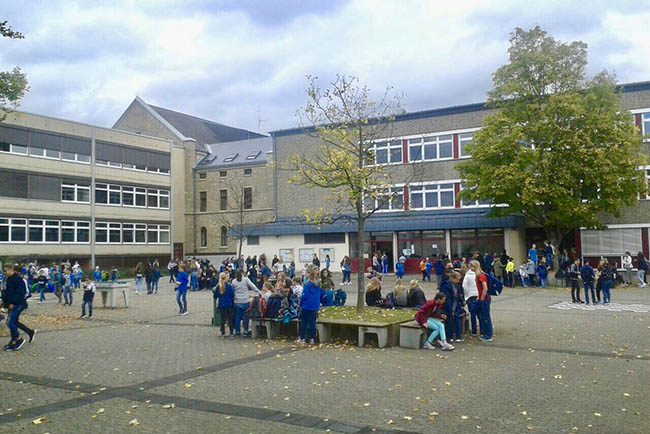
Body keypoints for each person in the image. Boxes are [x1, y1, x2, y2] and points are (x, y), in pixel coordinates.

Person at [2, 263, 35, 351]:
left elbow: (21, 293)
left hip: (18, 304)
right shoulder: (8, 279)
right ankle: (18, 338)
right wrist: (4, 302)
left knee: (10, 322)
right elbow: (7, 292)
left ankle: (18, 339)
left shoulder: (18, 279)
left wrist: (13, 302)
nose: (4, 273)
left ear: (10, 269)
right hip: (11, 304)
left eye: (5, 271)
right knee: (13, 321)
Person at [297, 265, 320, 345]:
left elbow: (304, 295)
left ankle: (302, 338)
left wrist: (300, 303)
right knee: (312, 322)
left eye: (306, 272)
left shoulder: (308, 284)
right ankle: (312, 338)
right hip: (314, 305)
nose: (304, 274)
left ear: (309, 273)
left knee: (304, 322)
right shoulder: (317, 283)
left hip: (306, 305)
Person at [232, 269, 260, 337]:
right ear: (242, 273)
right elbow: (253, 286)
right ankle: (245, 331)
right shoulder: (246, 280)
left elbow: (232, 291)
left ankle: (237, 331)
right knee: (246, 317)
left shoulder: (234, 281)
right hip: (245, 301)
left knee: (237, 317)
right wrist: (258, 292)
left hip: (237, 301)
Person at [470, 260, 493, 342]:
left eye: (471, 267)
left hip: (484, 299)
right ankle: (486, 333)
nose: (471, 269)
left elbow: (485, 288)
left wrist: (482, 298)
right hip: (481, 298)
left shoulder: (481, 276)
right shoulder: (479, 275)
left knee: (486, 317)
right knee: (483, 316)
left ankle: (489, 335)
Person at [440, 271, 464, 343]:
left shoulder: (456, 286)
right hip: (448, 306)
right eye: (458, 279)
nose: (458, 281)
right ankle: (449, 336)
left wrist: (462, 301)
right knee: (449, 321)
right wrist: (450, 308)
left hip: (456, 305)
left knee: (456, 319)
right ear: (453, 278)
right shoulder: (446, 285)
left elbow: (459, 295)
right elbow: (446, 298)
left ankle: (458, 336)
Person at [214, 272, 235, 338]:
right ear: (226, 278)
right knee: (230, 319)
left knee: (223, 320)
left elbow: (215, 296)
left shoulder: (218, 286)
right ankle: (231, 333)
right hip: (229, 304)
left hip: (221, 305)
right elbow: (232, 295)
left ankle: (223, 333)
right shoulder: (229, 286)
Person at [463, 262, 480, 337]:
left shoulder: (468, 275)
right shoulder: (480, 274)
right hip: (479, 295)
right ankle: (483, 330)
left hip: (471, 295)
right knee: (480, 314)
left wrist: (466, 295)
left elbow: (464, 285)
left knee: (472, 314)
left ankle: (474, 331)